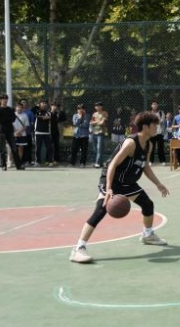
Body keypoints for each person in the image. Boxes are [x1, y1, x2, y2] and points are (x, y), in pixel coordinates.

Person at [69, 111, 170, 263]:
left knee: (147, 204)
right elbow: (112, 165)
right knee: (100, 211)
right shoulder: (131, 143)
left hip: (128, 183)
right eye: (155, 126)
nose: (157, 128)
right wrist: (109, 188)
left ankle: (147, 235)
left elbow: (145, 166)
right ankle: (78, 249)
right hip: (112, 180)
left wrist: (158, 184)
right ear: (145, 127)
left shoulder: (149, 144)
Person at [0, 94, 24, 171]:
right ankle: (4, 166)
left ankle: (18, 166)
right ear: (0, 100)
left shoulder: (10, 109)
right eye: (3, 99)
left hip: (10, 131)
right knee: (2, 150)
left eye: (6, 99)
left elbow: (13, 119)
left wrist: (5, 118)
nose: (5, 100)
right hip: (2, 131)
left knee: (14, 148)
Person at [34, 99, 53, 167]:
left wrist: (43, 117)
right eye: (43, 103)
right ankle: (37, 161)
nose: (44, 104)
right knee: (38, 148)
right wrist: (43, 117)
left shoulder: (48, 112)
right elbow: (38, 116)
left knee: (49, 147)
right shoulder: (37, 111)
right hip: (38, 132)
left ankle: (50, 161)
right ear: (40, 104)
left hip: (46, 133)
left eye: (45, 103)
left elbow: (48, 117)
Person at [90, 101, 108, 168]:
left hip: (100, 133)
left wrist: (95, 122)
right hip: (94, 133)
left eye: (98, 106)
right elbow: (91, 122)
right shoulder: (94, 114)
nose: (97, 107)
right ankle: (101, 163)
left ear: (101, 107)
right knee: (95, 149)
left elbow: (102, 123)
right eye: (96, 106)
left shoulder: (104, 113)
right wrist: (98, 121)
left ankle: (97, 163)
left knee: (99, 148)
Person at [149, 100, 166, 166]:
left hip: (160, 133)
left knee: (160, 148)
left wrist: (155, 122)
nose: (155, 105)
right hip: (152, 133)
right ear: (151, 105)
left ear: (158, 105)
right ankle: (151, 161)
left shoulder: (161, 112)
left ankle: (162, 161)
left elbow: (162, 120)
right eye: (153, 104)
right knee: (151, 148)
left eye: (156, 104)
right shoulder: (149, 113)